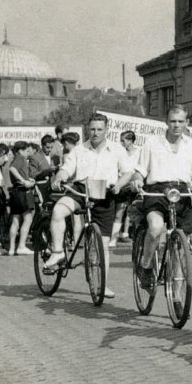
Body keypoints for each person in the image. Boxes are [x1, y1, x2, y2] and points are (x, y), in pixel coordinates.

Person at [46, 114, 133, 299]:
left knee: (103, 245)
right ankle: (58, 252)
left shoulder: (117, 149)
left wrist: (119, 184)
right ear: (88, 130)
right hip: (81, 189)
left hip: (105, 192)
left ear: (106, 130)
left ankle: (103, 285)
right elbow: (67, 168)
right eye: (92, 129)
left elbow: (127, 172)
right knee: (59, 210)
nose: (95, 133)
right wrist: (60, 177)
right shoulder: (79, 150)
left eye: (100, 129)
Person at [132, 105, 192, 289]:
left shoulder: (191, 145)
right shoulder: (152, 143)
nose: (176, 125)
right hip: (157, 191)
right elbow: (140, 170)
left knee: (182, 243)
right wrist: (137, 180)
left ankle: (178, 294)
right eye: (173, 121)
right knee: (155, 228)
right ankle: (145, 266)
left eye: (181, 121)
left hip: (181, 191)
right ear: (166, 122)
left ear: (187, 123)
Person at [7, 141, 37, 255]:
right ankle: (21, 246)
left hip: (15, 191)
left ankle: (11, 248)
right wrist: (24, 181)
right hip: (22, 192)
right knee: (28, 218)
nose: (27, 152)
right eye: (26, 150)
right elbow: (12, 169)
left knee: (15, 220)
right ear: (20, 150)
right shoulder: (21, 158)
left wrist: (27, 179)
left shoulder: (16, 158)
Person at [110, 130, 139, 246]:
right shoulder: (119, 152)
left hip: (135, 186)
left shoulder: (139, 153)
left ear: (131, 141)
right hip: (123, 185)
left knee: (133, 212)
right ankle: (113, 239)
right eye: (120, 141)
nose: (121, 143)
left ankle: (127, 234)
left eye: (123, 141)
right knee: (119, 212)